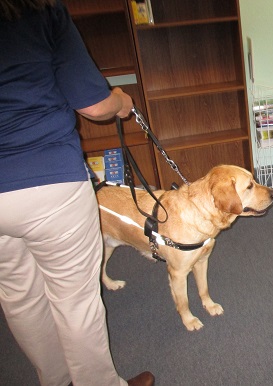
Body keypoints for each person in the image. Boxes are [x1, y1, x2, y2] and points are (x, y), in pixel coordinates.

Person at [0, 1, 155, 385]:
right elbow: (94, 105)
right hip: (48, 182)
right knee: (74, 302)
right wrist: (122, 102)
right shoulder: (37, 11)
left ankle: (56, 381)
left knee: (21, 299)